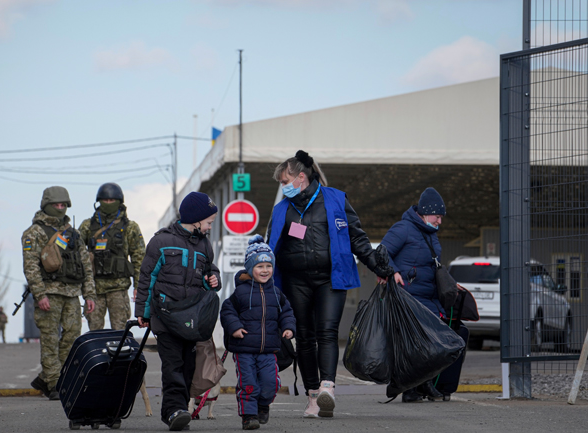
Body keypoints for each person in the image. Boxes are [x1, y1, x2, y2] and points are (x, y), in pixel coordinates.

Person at [266, 150, 399, 418]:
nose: (283, 187)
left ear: (301, 177)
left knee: (327, 332)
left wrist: (379, 267)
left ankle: (328, 388)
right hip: (295, 281)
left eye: (284, 181)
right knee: (304, 338)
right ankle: (313, 397)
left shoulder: (335, 199)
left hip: (331, 278)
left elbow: (357, 238)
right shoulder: (282, 210)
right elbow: (270, 247)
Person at [135, 191, 222, 431]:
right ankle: (175, 410)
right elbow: (146, 278)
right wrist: (143, 312)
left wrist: (213, 278)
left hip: (191, 319)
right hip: (164, 317)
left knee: (188, 367)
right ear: (196, 220)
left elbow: (209, 271)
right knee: (172, 366)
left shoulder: (204, 245)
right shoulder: (160, 242)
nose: (209, 227)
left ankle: (178, 410)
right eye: (208, 223)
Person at [379, 186, 467, 402]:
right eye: (438, 216)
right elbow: (381, 251)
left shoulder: (431, 235)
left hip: (429, 299)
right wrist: (392, 272)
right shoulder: (403, 229)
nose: (440, 222)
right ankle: (419, 386)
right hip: (409, 297)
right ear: (426, 212)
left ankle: (422, 386)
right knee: (423, 340)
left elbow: (432, 268)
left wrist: (451, 284)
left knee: (454, 334)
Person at [22, 186, 96, 400]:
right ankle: (55, 383)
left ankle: (52, 377)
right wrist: (40, 294)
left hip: (72, 294)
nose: (60, 208)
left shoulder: (73, 234)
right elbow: (31, 267)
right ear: (46, 205)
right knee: (50, 339)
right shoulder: (33, 233)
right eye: (56, 205)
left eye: (63, 205)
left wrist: (89, 295)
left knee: (72, 337)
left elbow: (85, 265)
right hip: (49, 293)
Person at [220, 235, 296, 430]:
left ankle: (263, 405)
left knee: (270, 383)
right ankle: (249, 416)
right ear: (250, 268)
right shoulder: (241, 292)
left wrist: (288, 328)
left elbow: (287, 312)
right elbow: (227, 311)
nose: (265, 270)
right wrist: (235, 327)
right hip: (244, 348)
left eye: (268, 266)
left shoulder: (277, 293)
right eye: (260, 266)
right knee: (248, 383)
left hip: (269, 350)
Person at [79, 183, 145, 331]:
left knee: (119, 332)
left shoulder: (130, 227)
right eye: (105, 200)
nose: (108, 203)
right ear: (99, 202)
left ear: (120, 202)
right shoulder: (87, 226)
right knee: (95, 332)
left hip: (119, 288)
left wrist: (138, 286)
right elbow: (75, 252)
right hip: (95, 289)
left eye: (112, 201)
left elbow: (139, 258)